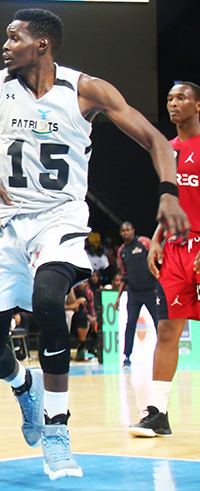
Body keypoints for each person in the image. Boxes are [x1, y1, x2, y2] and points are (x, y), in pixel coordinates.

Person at [0, 9, 187, 480]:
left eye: (14, 38)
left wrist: (168, 192)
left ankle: (58, 430)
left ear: (42, 44)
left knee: (50, 299)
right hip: (3, 220)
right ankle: (23, 386)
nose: (5, 46)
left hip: (59, 217)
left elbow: (157, 141)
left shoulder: (86, 90)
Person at [129, 81, 200, 438]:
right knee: (168, 329)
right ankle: (158, 414)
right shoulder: (166, 150)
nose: (173, 104)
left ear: (198, 105)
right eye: (170, 98)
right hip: (174, 248)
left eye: (182, 98)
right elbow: (169, 203)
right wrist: (156, 240)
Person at [114, 221, 158, 368]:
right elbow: (124, 275)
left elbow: (157, 260)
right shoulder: (121, 251)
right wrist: (118, 298)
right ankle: (127, 357)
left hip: (151, 290)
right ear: (120, 233)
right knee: (130, 324)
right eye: (123, 231)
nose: (126, 233)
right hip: (133, 293)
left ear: (133, 230)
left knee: (158, 322)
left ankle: (161, 353)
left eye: (128, 230)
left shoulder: (144, 242)